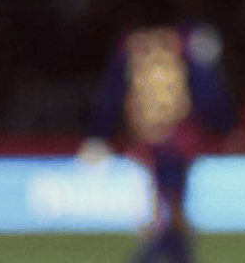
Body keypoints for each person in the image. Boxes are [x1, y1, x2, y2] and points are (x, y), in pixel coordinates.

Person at [81, 20, 234, 263]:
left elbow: (111, 93)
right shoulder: (184, 41)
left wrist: (99, 134)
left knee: (166, 207)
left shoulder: (131, 45)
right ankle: (161, 255)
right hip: (180, 139)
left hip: (147, 138)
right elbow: (207, 90)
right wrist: (225, 126)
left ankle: (165, 255)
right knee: (170, 208)